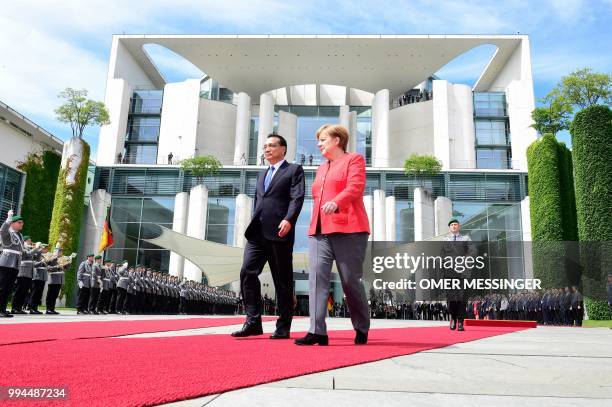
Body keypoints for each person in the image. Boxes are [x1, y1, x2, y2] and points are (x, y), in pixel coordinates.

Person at [295, 124, 370, 346]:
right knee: (317, 279)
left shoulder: (354, 159)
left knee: (349, 281)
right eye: (318, 140)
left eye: (323, 139)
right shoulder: (321, 168)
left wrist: (336, 202)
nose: (319, 144)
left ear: (337, 140)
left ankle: (361, 326)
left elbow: (355, 186)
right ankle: (317, 331)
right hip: (319, 230)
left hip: (349, 228)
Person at [232, 134, 305, 339]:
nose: (267, 149)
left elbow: (297, 197)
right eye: (265, 146)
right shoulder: (261, 174)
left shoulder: (293, 170)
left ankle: (283, 327)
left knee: (282, 281)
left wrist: (289, 219)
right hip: (257, 234)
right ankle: (253, 321)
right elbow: (259, 201)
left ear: (283, 149)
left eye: (272, 146)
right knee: (247, 272)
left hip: (280, 232)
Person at [443, 218, 476, 332]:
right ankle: (453, 317)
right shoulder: (445, 240)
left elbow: (473, 251)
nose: (453, 226)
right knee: (451, 298)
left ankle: (461, 321)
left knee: (461, 298)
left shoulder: (465, 238)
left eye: (455, 224)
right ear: (449, 227)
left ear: (459, 226)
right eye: (451, 224)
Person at [0, 210, 25, 318]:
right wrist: (8, 218)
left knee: (8, 288)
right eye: (19, 222)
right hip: (6, 262)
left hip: (15, 263)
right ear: (13, 223)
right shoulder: (8, 232)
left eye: (22, 222)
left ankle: (3, 308)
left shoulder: (19, 235)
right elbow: (2, 230)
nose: (21, 224)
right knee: (2, 287)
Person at [11, 236, 39, 314]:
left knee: (24, 291)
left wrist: (38, 250)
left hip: (29, 273)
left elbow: (36, 258)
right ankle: (14, 308)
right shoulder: (22, 247)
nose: (30, 242)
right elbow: (27, 255)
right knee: (19, 291)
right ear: (25, 241)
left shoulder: (30, 248)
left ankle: (19, 308)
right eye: (29, 240)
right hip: (22, 271)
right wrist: (36, 248)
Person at [45, 247, 67, 314]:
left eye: (61, 252)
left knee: (55, 295)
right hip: (53, 279)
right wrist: (57, 267)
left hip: (59, 279)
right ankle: (48, 309)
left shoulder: (62, 259)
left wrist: (68, 262)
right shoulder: (51, 259)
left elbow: (66, 268)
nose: (60, 253)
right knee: (50, 295)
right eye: (59, 252)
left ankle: (52, 309)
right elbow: (48, 268)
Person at [28, 244, 49, 314]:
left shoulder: (46, 256)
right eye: (44, 248)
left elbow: (47, 266)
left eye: (46, 248)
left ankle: (35, 308)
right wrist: (41, 261)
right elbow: (34, 264)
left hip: (43, 277)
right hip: (37, 276)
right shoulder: (36, 255)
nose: (46, 250)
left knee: (39, 293)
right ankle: (32, 308)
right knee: (34, 293)